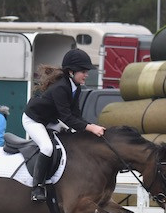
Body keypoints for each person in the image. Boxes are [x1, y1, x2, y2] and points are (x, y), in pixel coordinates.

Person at [23, 48, 105, 201]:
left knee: (71, 139)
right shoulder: (60, 88)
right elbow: (67, 117)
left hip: (50, 120)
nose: (86, 74)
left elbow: (76, 115)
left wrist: (89, 130)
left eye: (86, 71)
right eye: (83, 71)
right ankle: (37, 188)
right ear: (71, 72)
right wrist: (91, 127)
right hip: (34, 120)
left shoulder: (76, 87)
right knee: (47, 147)